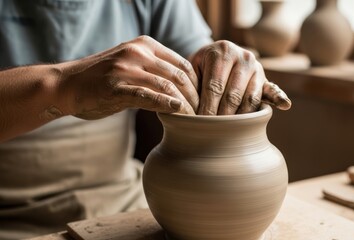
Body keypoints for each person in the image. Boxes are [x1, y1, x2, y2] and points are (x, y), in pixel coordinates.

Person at [0, 0, 291, 239]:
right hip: (12, 219)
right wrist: (63, 87)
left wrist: (222, 67)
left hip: (126, 203)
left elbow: (199, 71)